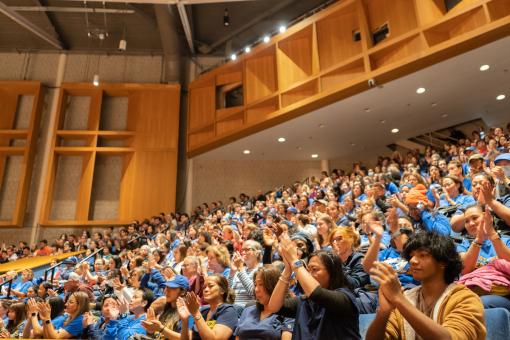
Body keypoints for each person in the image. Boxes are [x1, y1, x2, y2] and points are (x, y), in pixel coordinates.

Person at [366, 232, 486, 340]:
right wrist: (383, 313)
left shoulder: (465, 299)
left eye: (422, 255)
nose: (413, 260)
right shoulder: (406, 298)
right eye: (411, 256)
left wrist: (398, 299)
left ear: (443, 262)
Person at [268, 239, 360, 339]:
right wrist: (287, 270)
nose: (309, 274)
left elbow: (317, 293)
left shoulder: (345, 298)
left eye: (315, 269)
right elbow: (274, 307)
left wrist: (295, 261)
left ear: (332, 272)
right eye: (308, 270)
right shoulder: (305, 301)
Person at [234, 266, 293, 340]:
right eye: (255, 285)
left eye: (261, 284)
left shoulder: (288, 312)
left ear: (274, 286)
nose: (256, 289)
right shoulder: (247, 310)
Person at [182, 274, 238, 340]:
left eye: (210, 286)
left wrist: (196, 313)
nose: (205, 290)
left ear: (222, 290)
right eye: (204, 287)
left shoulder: (228, 310)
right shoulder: (203, 310)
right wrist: (185, 320)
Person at [228, 240, 262, 307]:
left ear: (257, 253)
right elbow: (227, 292)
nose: (243, 252)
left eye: (247, 249)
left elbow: (253, 292)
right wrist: (232, 273)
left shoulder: (261, 269)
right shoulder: (239, 270)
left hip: (248, 309)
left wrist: (240, 268)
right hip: (233, 307)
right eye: (242, 250)